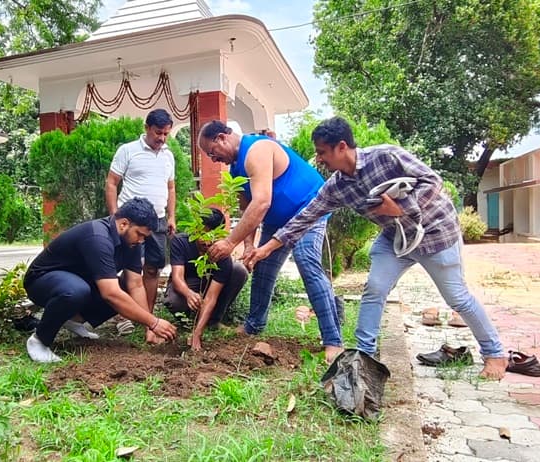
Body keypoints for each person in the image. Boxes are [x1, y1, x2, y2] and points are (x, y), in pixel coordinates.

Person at [244, 117, 508, 379]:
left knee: (457, 297)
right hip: (396, 238)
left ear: (342, 146)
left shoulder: (386, 157)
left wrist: (402, 207)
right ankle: (363, 356)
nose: (319, 159)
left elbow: (433, 181)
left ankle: (495, 353)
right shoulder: (336, 187)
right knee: (375, 288)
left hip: (435, 232)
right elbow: (306, 216)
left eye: (323, 152)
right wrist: (267, 248)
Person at [198, 120, 344, 362]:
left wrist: (229, 243)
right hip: (277, 222)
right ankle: (254, 325)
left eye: (213, 153)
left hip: (308, 209)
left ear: (222, 138)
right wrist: (248, 246)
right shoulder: (236, 169)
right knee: (262, 267)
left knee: (306, 262)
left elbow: (261, 202)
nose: (214, 160)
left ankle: (333, 341)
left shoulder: (257, 150)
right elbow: (247, 210)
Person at [22, 198, 178, 362]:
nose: (141, 240)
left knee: (122, 286)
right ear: (124, 224)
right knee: (82, 290)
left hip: (78, 283)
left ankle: (72, 318)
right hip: (41, 281)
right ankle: (40, 340)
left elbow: (136, 284)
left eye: (144, 237)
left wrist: (150, 328)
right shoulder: (98, 237)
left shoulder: (133, 244)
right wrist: (154, 322)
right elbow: (110, 293)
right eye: (139, 234)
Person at [105, 108, 177, 335]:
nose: (162, 138)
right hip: (132, 221)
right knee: (129, 269)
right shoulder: (128, 150)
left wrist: (172, 215)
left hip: (157, 221)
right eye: (158, 132)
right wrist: (116, 215)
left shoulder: (168, 155)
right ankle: (122, 316)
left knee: (153, 268)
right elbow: (111, 183)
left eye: (166, 133)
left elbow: (171, 186)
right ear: (146, 128)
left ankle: (148, 316)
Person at [163, 208, 249, 351]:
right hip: (187, 283)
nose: (206, 240)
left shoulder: (222, 254)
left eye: (211, 235)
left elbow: (211, 297)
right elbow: (177, 278)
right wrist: (189, 294)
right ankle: (187, 319)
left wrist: (197, 333)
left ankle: (213, 320)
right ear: (197, 228)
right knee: (174, 301)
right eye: (203, 233)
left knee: (239, 270)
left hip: (210, 284)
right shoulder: (181, 241)